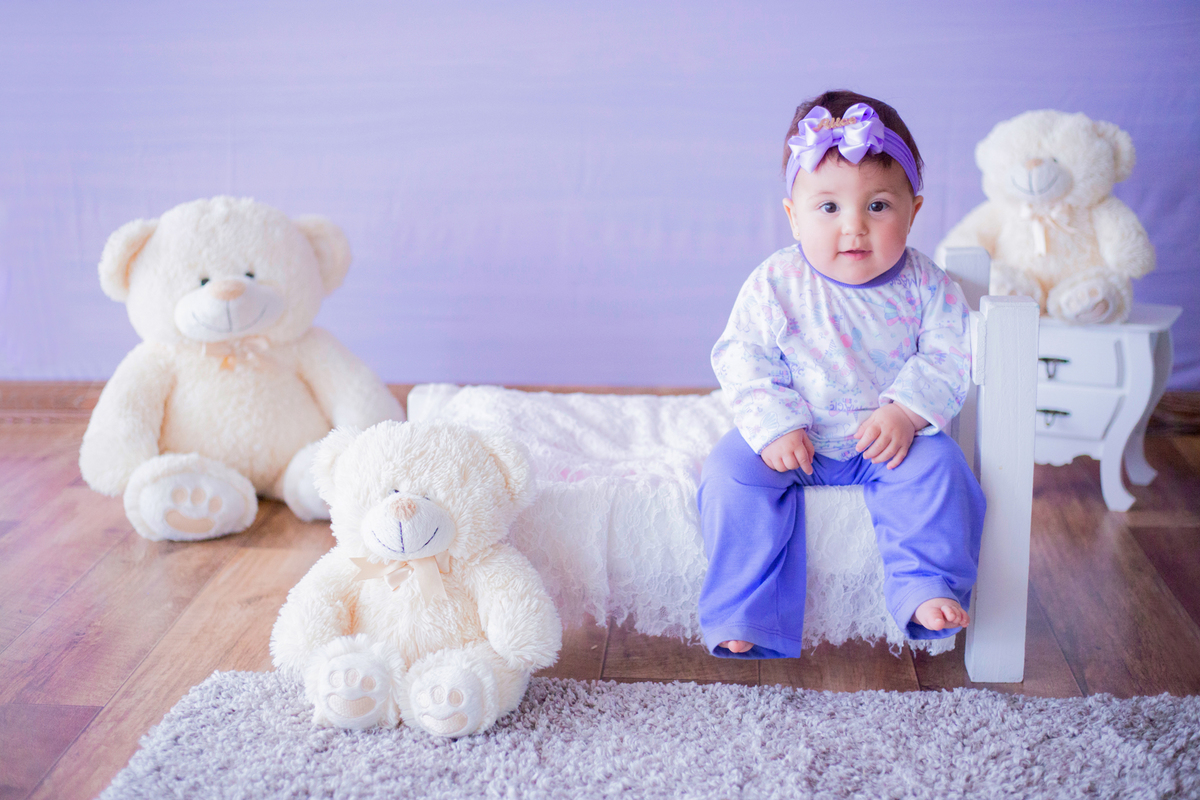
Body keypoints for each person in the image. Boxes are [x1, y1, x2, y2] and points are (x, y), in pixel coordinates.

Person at [699, 90, 985, 659]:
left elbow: (951, 354)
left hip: (887, 442)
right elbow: (742, 355)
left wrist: (905, 411)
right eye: (828, 208)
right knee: (730, 472)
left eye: (878, 206)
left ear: (914, 209)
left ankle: (925, 585)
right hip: (795, 439)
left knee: (944, 468)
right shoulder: (776, 281)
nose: (854, 228)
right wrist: (775, 425)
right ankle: (743, 609)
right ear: (793, 214)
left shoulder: (927, 286)